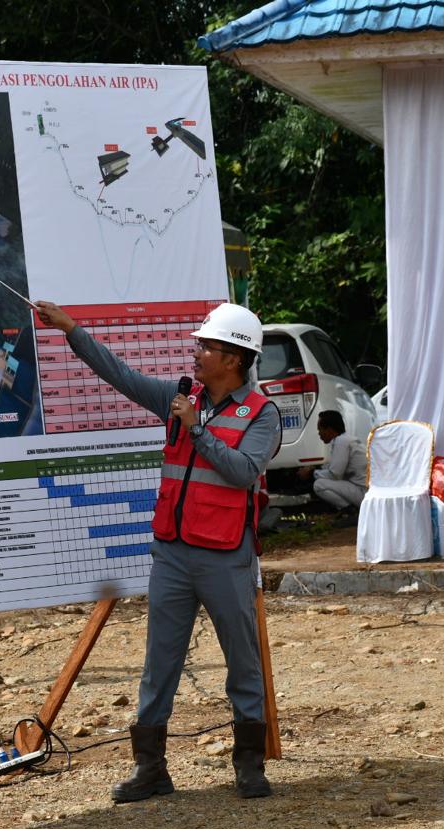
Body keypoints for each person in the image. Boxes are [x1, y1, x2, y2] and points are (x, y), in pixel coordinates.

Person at [34, 299, 280, 801]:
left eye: (206, 347)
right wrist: (72, 330)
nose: (196, 353)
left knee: (242, 662)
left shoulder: (261, 415)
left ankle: (249, 767)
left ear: (234, 359)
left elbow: (241, 472)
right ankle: (151, 770)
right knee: (159, 663)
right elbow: (119, 375)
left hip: (226, 556)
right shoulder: (178, 396)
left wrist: (196, 427)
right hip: (172, 553)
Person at [298, 410, 367, 521]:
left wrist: (311, 473)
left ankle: (349, 511)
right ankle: (351, 511)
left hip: (363, 493)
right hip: (366, 490)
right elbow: (331, 468)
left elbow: (335, 474)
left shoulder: (341, 442)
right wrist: (315, 469)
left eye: (320, 430)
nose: (319, 433)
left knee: (319, 484)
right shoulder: (346, 439)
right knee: (322, 480)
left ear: (329, 430)